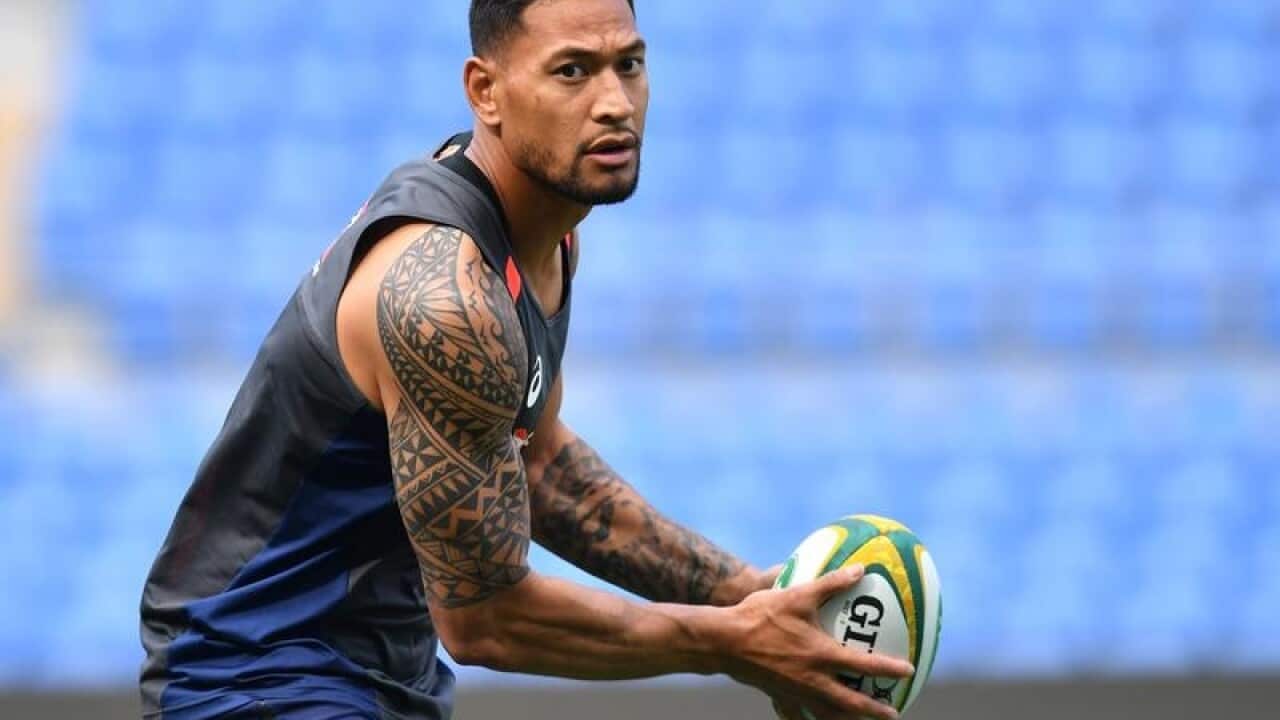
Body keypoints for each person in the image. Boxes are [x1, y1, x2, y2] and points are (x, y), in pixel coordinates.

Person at [139, 1, 913, 718]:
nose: (614, 101)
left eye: (630, 65)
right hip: (255, 680)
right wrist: (730, 643)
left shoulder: (544, 236)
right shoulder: (444, 296)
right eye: (572, 71)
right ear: (487, 91)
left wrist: (746, 593)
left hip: (371, 678)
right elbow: (485, 621)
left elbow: (536, 466)